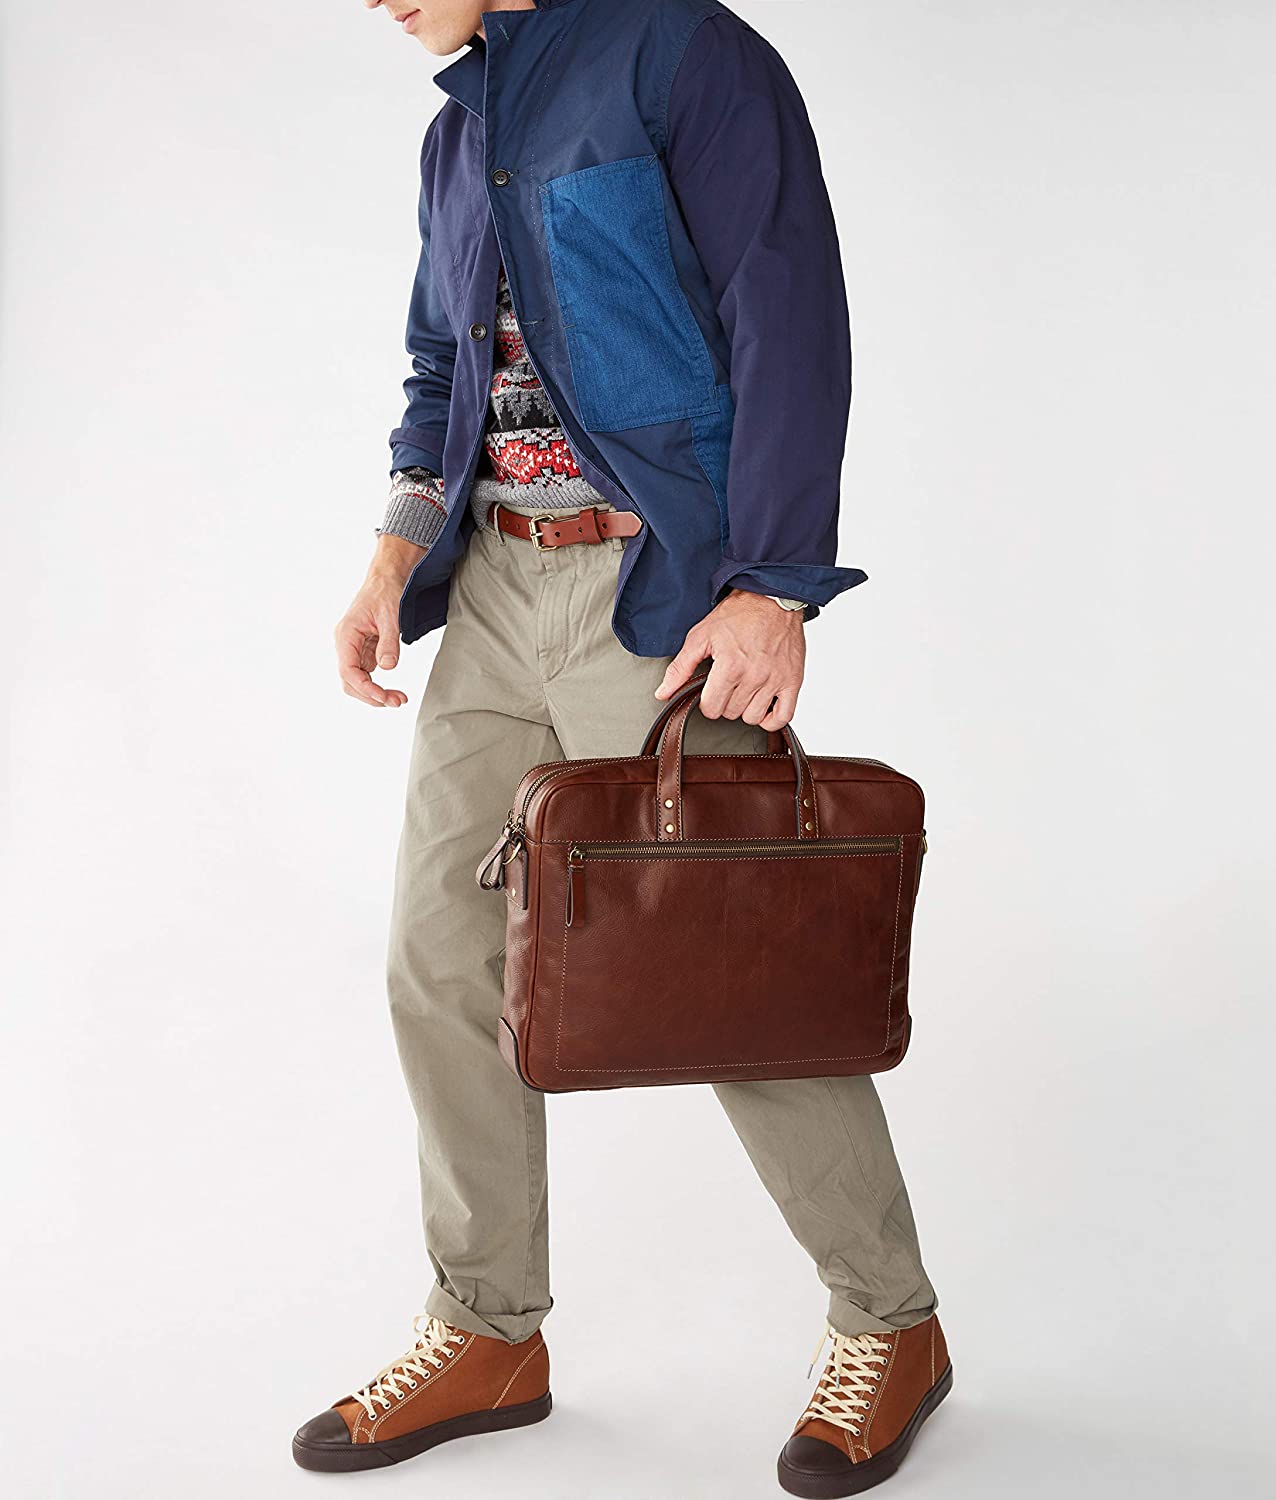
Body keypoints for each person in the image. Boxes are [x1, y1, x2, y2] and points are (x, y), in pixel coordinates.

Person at [293, 3, 950, 1491]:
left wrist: (775, 584)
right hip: (493, 592)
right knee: (440, 965)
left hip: (661, 597)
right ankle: (488, 1330)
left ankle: (891, 1321)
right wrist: (392, 562)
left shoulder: (683, 53)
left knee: (737, 978)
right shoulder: (458, 132)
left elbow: (789, 314)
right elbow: (439, 374)